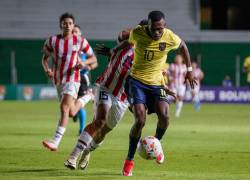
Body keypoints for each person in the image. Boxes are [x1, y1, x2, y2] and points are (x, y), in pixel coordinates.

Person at [109, 11, 196, 176]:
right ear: (147, 26)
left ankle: (156, 144)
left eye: (161, 29)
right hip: (137, 82)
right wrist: (114, 50)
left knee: (165, 116)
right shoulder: (138, 33)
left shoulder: (169, 36)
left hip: (157, 84)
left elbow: (183, 46)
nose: (158, 33)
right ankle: (129, 160)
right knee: (140, 120)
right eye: (155, 29)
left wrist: (189, 70)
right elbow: (127, 42)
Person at [64, 32, 134, 170]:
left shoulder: (149, 57)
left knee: (103, 131)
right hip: (106, 88)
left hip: (123, 99)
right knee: (99, 121)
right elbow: (123, 35)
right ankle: (73, 157)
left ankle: (87, 151)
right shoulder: (125, 44)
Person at [41, 13, 97, 151]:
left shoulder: (80, 41)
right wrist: (47, 69)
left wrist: (83, 63)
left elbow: (93, 59)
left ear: (73, 25)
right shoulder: (52, 41)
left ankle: (55, 141)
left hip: (73, 79)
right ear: (60, 25)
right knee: (71, 112)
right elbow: (44, 58)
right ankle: (88, 96)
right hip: (59, 80)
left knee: (64, 108)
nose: (67, 25)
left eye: (70, 23)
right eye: (65, 23)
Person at [72, 25, 98, 135]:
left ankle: (82, 129)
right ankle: (74, 113)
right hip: (70, 79)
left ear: (80, 33)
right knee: (71, 106)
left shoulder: (84, 48)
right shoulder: (68, 47)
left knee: (80, 103)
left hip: (82, 78)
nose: (74, 33)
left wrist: (89, 66)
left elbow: (95, 62)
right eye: (73, 32)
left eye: (76, 31)